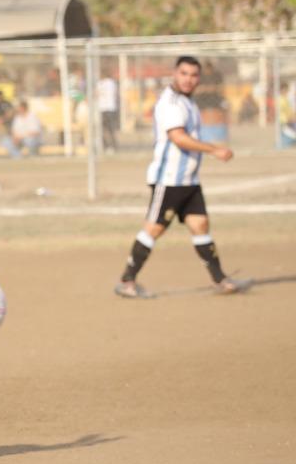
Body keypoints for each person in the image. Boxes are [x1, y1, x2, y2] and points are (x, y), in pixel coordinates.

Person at [115, 56, 244, 299]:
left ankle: (220, 279)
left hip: (189, 181)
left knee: (200, 225)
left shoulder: (188, 102)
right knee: (153, 229)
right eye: (184, 74)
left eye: (194, 75)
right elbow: (178, 137)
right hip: (170, 180)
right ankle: (127, 280)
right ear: (175, 73)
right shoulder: (171, 103)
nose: (189, 79)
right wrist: (214, 149)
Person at [97, 72, 121, 153]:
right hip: (111, 108)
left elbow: (96, 93)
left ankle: (108, 145)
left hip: (103, 108)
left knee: (105, 129)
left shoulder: (101, 83)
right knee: (110, 129)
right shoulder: (112, 83)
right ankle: (112, 145)